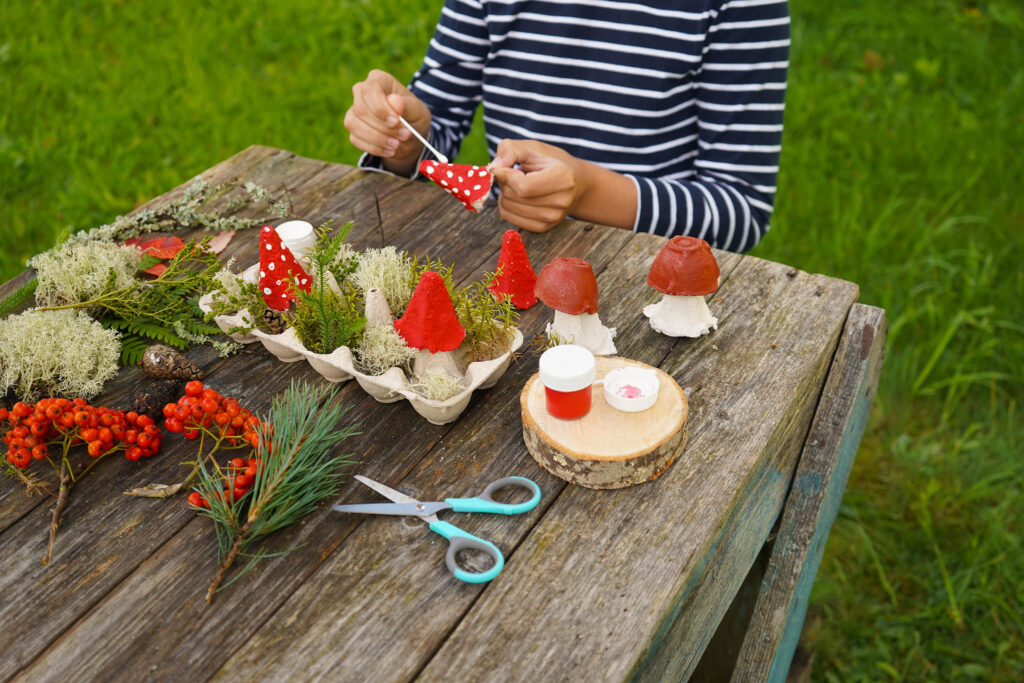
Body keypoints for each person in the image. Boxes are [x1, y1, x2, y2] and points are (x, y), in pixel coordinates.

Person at [344, 0, 789, 253]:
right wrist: (400, 137)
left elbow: (742, 209)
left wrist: (590, 191)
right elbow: (432, 131)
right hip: (505, 257)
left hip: (653, 271)